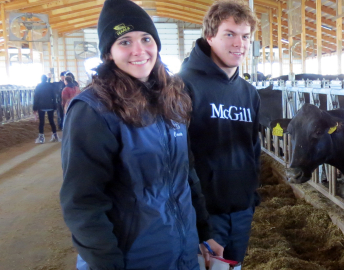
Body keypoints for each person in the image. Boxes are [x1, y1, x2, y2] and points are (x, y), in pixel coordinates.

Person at [59, 0, 221, 269]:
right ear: (108, 53)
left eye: (146, 38)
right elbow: (83, 201)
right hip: (130, 258)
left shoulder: (172, 98)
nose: (139, 50)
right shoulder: (93, 110)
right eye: (124, 41)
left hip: (181, 251)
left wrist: (204, 234)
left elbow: (185, 174)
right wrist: (106, 263)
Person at [179, 0, 261, 265]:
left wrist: (251, 197)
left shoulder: (249, 93)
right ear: (210, 36)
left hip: (241, 211)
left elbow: (253, 148)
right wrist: (195, 219)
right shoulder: (183, 86)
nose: (240, 44)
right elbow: (178, 158)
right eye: (230, 34)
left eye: (245, 36)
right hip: (202, 214)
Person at [33, 75, 59, 143]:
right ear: (47, 79)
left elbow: (36, 97)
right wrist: (55, 106)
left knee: (41, 122)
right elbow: (54, 96)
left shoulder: (38, 86)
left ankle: (41, 138)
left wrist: (34, 108)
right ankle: (55, 135)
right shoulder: (50, 86)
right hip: (50, 105)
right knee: (51, 121)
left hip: (41, 106)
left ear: (41, 79)